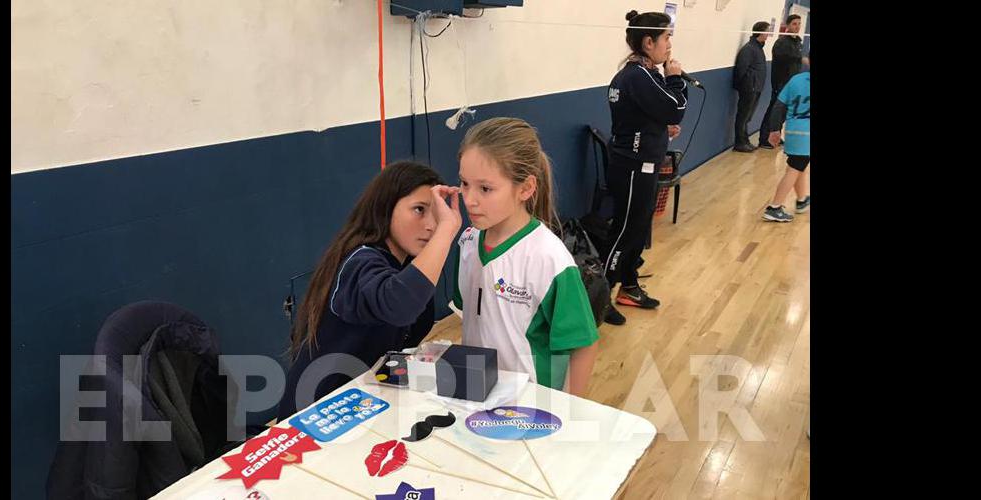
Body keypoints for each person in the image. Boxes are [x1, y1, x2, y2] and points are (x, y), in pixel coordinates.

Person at [278, 161, 462, 420]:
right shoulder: (361, 260)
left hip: (360, 403)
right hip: (315, 413)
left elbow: (400, 342)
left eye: (437, 215)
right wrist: (446, 231)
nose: (431, 225)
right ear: (386, 209)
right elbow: (399, 305)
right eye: (419, 210)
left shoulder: (408, 264)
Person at [452, 117, 600, 396]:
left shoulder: (549, 258)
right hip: (476, 395)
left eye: (485, 188)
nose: (469, 199)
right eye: (464, 183)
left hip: (529, 406)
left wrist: (568, 409)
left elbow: (583, 343)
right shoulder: (469, 242)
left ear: (526, 189)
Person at [601, 10, 688, 320]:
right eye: (666, 38)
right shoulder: (638, 75)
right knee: (625, 232)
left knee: (638, 231)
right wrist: (676, 78)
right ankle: (599, 296)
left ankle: (629, 287)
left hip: (642, 163)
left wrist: (659, 129)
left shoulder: (642, 74)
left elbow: (641, 115)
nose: (669, 46)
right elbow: (675, 108)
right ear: (648, 41)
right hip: (633, 166)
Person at [762, 53, 810, 222]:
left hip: (792, 130)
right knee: (795, 167)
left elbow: (778, 106)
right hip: (807, 135)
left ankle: (802, 199)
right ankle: (774, 207)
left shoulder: (796, 80)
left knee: (799, 165)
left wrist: (774, 130)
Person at [758, 14, 805, 149]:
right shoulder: (782, 42)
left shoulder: (797, 42)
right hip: (781, 83)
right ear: (788, 25)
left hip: (793, 84)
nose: (797, 27)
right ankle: (764, 139)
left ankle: (775, 136)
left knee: (784, 112)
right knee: (774, 111)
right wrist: (799, 58)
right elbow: (783, 58)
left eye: (799, 24)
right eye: (794, 24)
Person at [732, 21, 772, 152]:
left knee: (747, 117)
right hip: (750, 88)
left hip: (756, 88)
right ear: (760, 32)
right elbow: (741, 70)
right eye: (767, 31)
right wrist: (747, 85)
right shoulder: (749, 49)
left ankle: (745, 140)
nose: (768, 34)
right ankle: (740, 143)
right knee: (743, 116)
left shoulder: (758, 48)